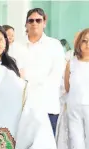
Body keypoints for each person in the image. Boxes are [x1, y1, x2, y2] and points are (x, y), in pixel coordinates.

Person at [23, 8, 66, 136]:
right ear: (26, 24)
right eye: (31, 21)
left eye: (38, 20)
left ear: (44, 23)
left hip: (47, 104)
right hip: (24, 107)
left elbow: (56, 76)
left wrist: (29, 79)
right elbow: (15, 74)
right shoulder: (17, 46)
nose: (34, 23)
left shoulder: (54, 45)